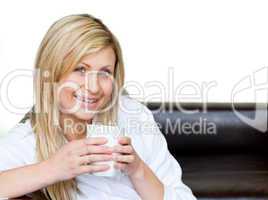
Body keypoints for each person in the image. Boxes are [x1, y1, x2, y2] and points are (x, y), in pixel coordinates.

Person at [0, 14, 196, 200]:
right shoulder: (27, 142)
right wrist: (53, 168)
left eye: (104, 72)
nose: (93, 88)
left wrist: (137, 170)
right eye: (80, 69)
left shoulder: (133, 115)